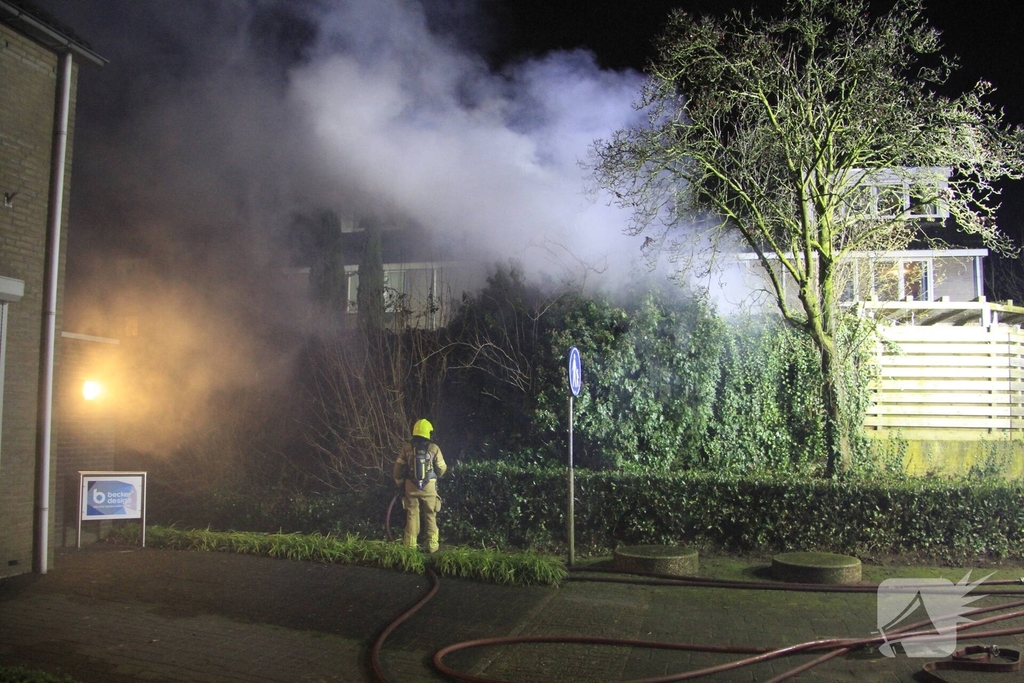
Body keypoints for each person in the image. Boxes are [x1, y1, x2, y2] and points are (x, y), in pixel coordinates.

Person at [393, 418, 447, 552]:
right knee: (430, 514)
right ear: (428, 432)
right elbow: (441, 469)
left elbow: (397, 469)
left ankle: (410, 546)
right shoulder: (434, 448)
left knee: (412, 514)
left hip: (411, 487)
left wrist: (400, 484)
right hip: (429, 488)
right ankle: (432, 546)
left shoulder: (407, 448)